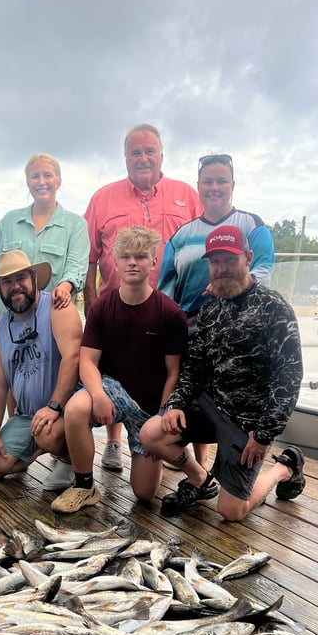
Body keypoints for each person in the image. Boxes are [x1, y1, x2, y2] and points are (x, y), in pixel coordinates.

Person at [139, 224, 305, 522]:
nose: (222, 268)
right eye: (215, 262)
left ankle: (284, 468)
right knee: (151, 433)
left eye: (230, 259)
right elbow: (194, 367)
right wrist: (175, 405)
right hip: (208, 407)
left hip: (248, 424)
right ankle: (201, 480)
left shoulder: (274, 308)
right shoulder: (210, 310)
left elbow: (289, 377)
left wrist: (264, 434)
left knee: (231, 512)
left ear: (248, 257)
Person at [82, 124, 202, 472]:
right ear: (125, 158)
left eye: (150, 151)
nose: (143, 158)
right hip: (116, 305)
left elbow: (201, 248)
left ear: (161, 155)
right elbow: (90, 258)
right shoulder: (103, 198)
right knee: (114, 372)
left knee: (178, 373)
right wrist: (92, 306)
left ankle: (185, 452)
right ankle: (114, 441)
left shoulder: (186, 194)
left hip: (172, 311)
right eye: (136, 152)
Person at [158, 153, 275, 495]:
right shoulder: (182, 235)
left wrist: (230, 290)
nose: (214, 187)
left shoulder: (252, 226)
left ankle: (231, 461)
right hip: (190, 324)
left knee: (225, 392)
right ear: (198, 186)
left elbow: (264, 269)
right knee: (189, 388)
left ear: (232, 185)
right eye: (207, 181)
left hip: (238, 324)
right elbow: (166, 283)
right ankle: (200, 473)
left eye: (221, 180)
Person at [51, 226, 187, 514]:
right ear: (115, 261)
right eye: (125, 257)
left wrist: (162, 417)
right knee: (76, 408)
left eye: (140, 256)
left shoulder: (170, 313)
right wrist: (98, 395)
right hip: (111, 390)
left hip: (148, 406)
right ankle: (84, 485)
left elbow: (173, 372)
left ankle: (156, 458)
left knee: (145, 494)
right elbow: (87, 360)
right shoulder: (104, 306)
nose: (132, 263)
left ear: (153, 262)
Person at [0, 250, 83, 489]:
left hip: (64, 410)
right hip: (27, 416)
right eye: (7, 281)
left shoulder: (58, 307)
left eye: (21, 278)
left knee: (47, 433)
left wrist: (54, 406)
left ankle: (68, 459)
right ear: (0, 289)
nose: (15, 286)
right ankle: (36, 448)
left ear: (34, 278)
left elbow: (72, 358)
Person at [0, 153, 89, 337]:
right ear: (28, 182)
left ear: (58, 181)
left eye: (48, 175)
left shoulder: (76, 225)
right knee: (0, 366)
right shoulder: (9, 221)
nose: (41, 181)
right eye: (35, 176)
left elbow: (76, 269)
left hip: (50, 322)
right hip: (4, 322)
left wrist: (65, 287)